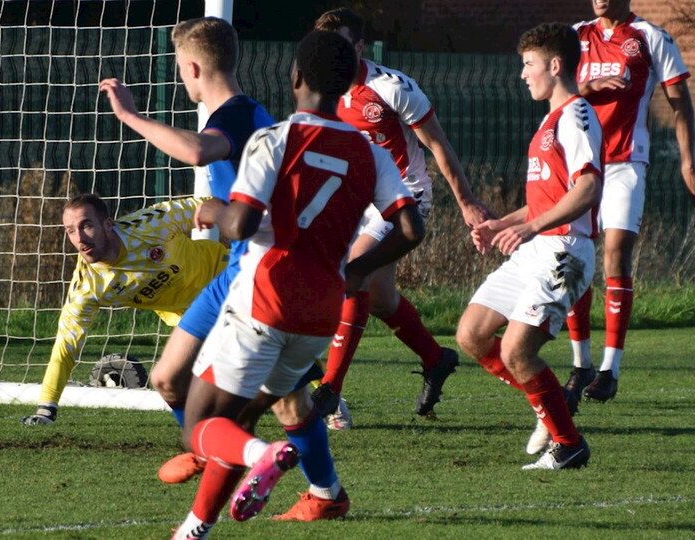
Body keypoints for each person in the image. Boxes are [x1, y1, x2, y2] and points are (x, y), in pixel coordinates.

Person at [170, 30, 424, 539]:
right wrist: (356, 271)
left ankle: (262, 455)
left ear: (296, 77)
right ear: (346, 85)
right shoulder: (370, 152)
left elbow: (241, 225)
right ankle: (195, 528)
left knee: (200, 427)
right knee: (252, 415)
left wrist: (213, 210)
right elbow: (412, 228)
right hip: (321, 314)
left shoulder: (274, 139)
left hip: (264, 300)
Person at [100, 17, 356, 521]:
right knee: (169, 379)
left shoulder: (238, 115)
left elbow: (198, 150)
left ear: (193, 68)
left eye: (180, 68)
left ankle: (319, 492)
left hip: (258, 276)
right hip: (236, 273)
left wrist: (129, 116)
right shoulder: (242, 113)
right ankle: (216, 453)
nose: (181, 77)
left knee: (283, 401)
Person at [311, 7, 494, 420]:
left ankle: (330, 391)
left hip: (403, 196)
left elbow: (438, 144)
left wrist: (466, 201)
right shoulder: (322, 90)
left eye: (342, 45)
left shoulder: (391, 87)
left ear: (360, 46)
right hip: (354, 200)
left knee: (354, 271)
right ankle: (436, 358)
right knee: (381, 299)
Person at [455, 22, 603, 470]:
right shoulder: (549, 120)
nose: (522, 74)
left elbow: (588, 188)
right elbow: (547, 198)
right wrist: (503, 223)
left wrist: (532, 227)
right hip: (537, 248)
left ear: (555, 66)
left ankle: (568, 444)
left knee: (516, 351)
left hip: (565, 251)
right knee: (472, 334)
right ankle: (550, 404)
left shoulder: (577, 115)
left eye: (529, 64)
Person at [563, 0, 695, 403]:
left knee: (615, 254)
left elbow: (680, 101)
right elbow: (553, 90)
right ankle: (581, 364)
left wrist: (688, 160)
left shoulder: (651, 37)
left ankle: (610, 370)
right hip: (579, 162)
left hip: (626, 162)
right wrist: (589, 88)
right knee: (575, 257)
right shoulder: (575, 36)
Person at [19, 194, 228, 425]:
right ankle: (201, 435)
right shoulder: (88, 288)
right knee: (167, 381)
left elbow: (208, 204)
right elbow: (66, 347)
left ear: (108, 225)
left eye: (86, 226)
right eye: (70, 231)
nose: (79, 238)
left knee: (240, 378)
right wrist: (46, 408)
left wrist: (247, 227)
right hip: (192, 319)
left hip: (228, 279)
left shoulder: (151, 225)